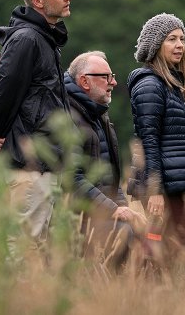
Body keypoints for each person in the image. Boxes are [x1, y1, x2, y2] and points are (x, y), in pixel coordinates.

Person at [0, 0, 71, 252]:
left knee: (37, 246)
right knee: (24, 247)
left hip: (43, 161)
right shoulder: (27, 39)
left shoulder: (43, 37)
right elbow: (4, 94)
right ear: (38, 2)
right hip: (28, 163)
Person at [127, 12, 185, 273]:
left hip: (173, 188)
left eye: (182, 38)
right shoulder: (150, 85)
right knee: (177, 259)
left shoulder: (170, 87)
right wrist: (155, 189)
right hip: (161, 190)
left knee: (172, 257)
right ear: (156, 45)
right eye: (171, 39)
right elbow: (149, 140)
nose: (180, 45)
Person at [64, 51, 144, 272]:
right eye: (106, 77)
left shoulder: (99, 115)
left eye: (113, 76)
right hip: (76, 219)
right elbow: (72, 179)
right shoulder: (68, 116)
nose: (114, 82)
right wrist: (114, 210)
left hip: (100, 213)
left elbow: (110, 178)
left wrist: (123, 209)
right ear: (84, 81)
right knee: (126, 233)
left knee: (148, 234)